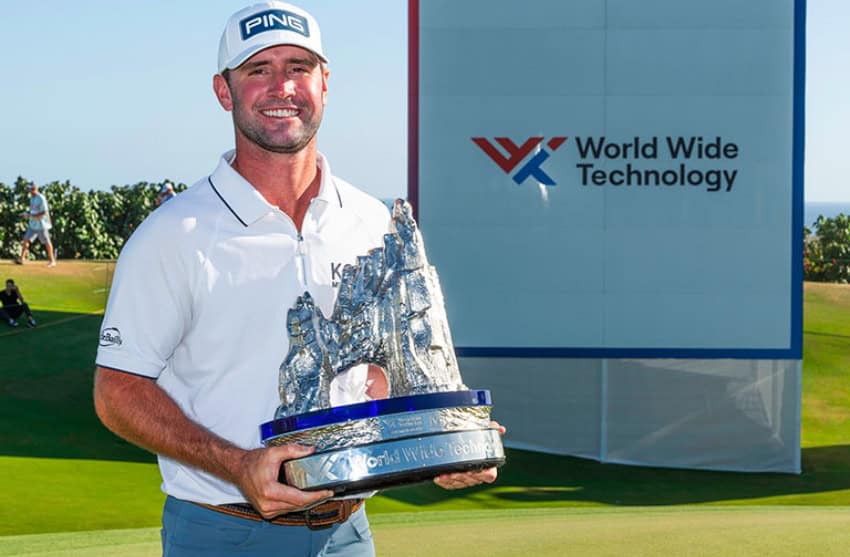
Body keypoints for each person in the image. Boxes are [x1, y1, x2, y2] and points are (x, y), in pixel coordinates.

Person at [92, 3, 501, 556]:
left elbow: (391, 369)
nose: (281, 85)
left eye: (298, 67)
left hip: (349, 532)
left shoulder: (373, 221)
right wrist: (236, 465)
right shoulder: (174, 233)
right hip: (224, 533)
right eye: (258, 70)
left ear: (324, 83)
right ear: (223, 91)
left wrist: (443, 440)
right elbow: (117, 391)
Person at [17, 182, 57, 267]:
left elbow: (44, 212)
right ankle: (21, 259)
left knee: (47, 242)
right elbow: (33, 210)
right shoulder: (32, 199)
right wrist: (27, 214)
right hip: (32, 224)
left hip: (41, 225)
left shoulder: (41, 198)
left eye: (31, 189)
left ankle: (52, 261)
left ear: (35, 189)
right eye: (29, 189)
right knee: (26, 240)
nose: (30, 191)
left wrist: (31, 215)